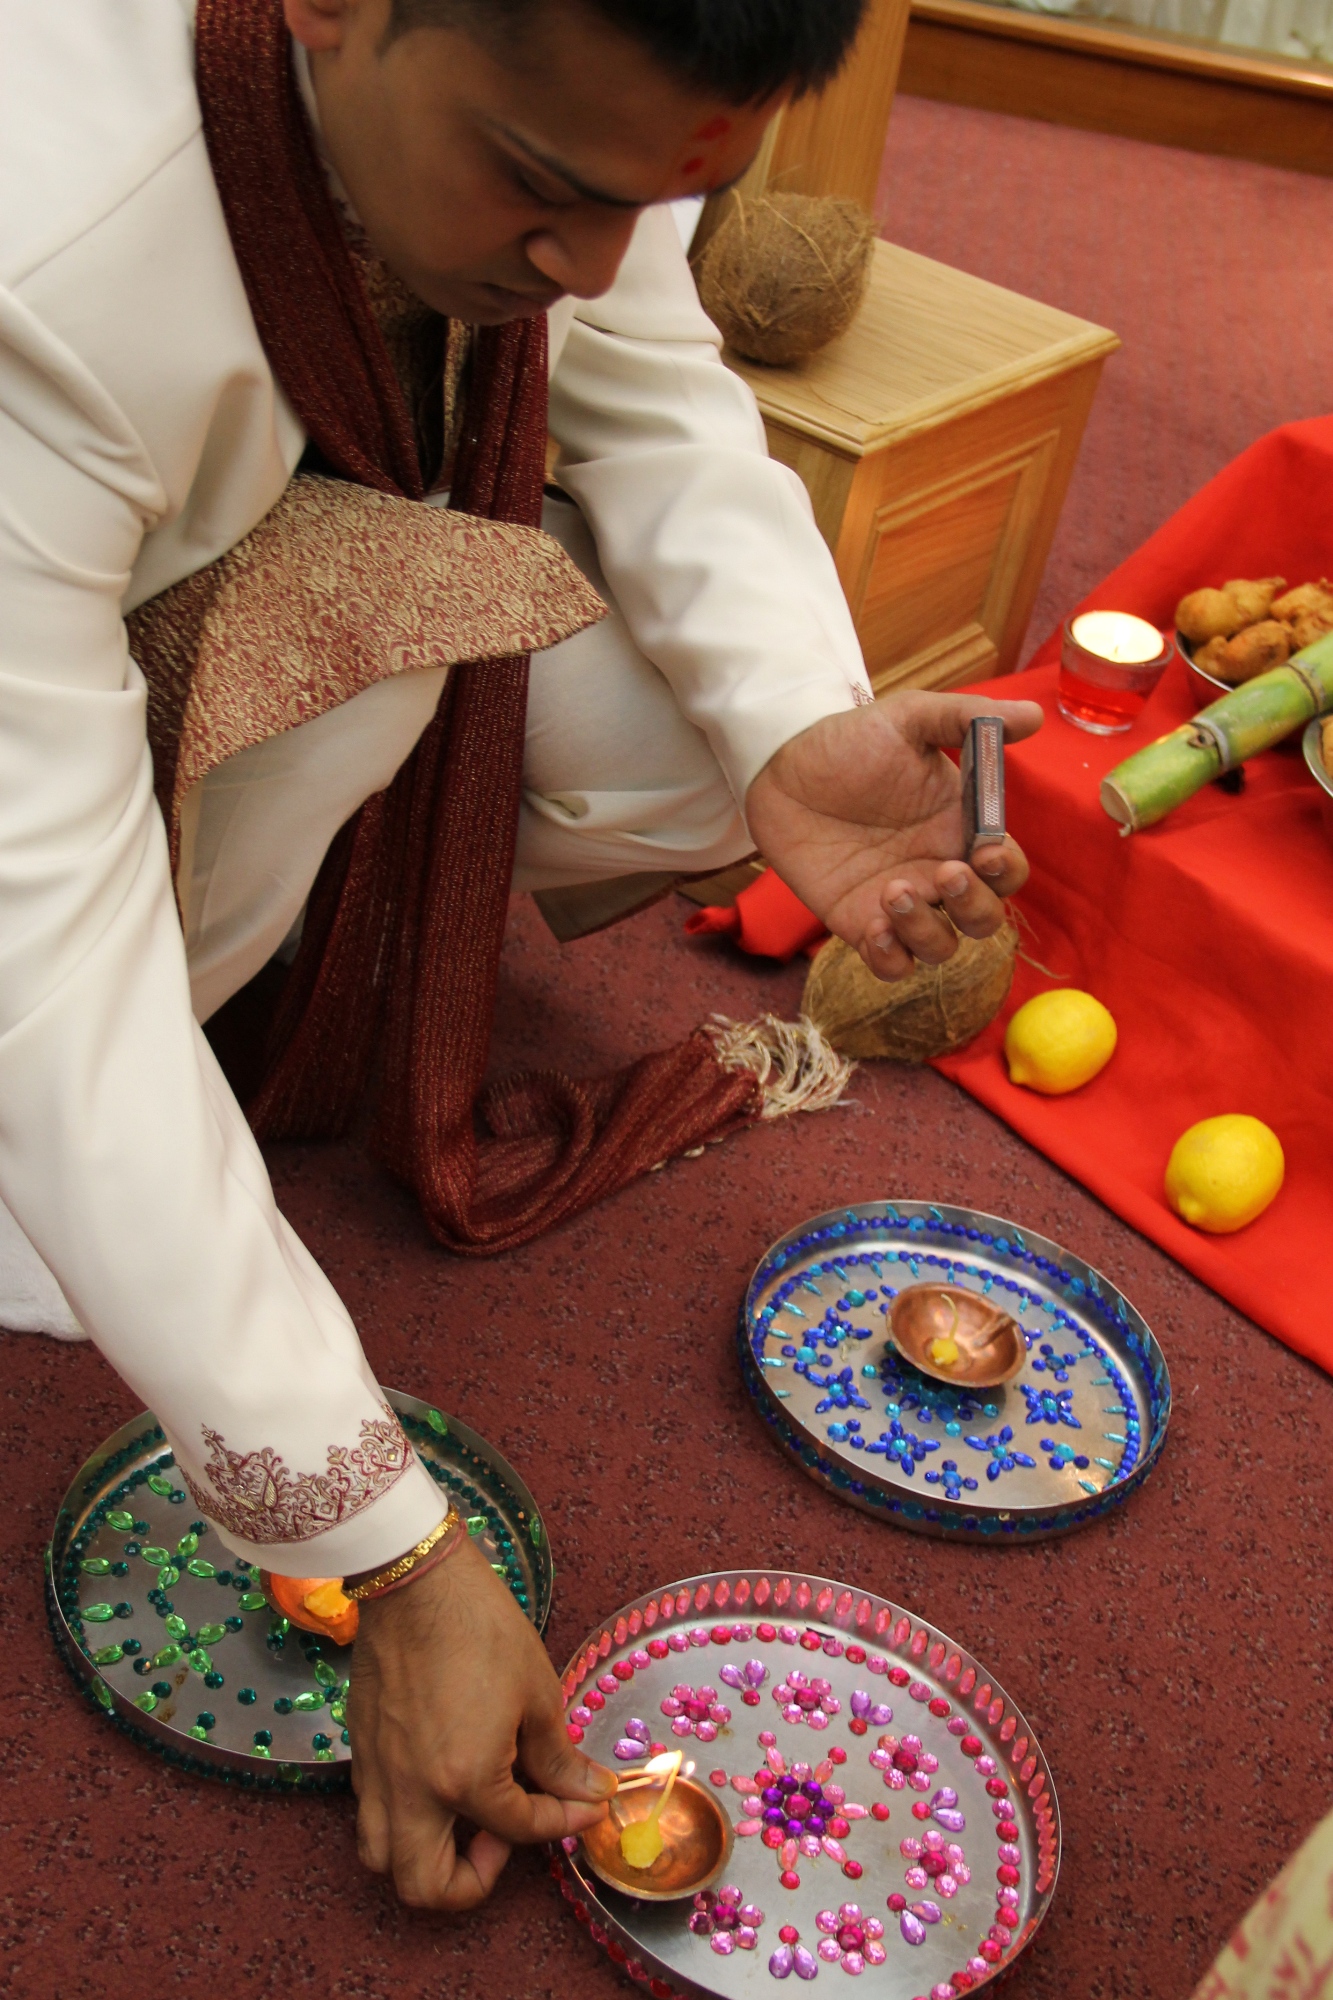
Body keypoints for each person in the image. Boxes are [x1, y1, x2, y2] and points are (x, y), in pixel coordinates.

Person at [1, 0, 1042, 1911]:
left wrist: (793, 731)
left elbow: (653, 385)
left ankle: (255, 970)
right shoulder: (39, 255)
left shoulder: (559, 136)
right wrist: (385, 1548)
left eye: (666, 197)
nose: (588, 265)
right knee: (331, 695)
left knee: (666, 723)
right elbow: (37, 954)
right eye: (546, 190)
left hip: (211, 518)